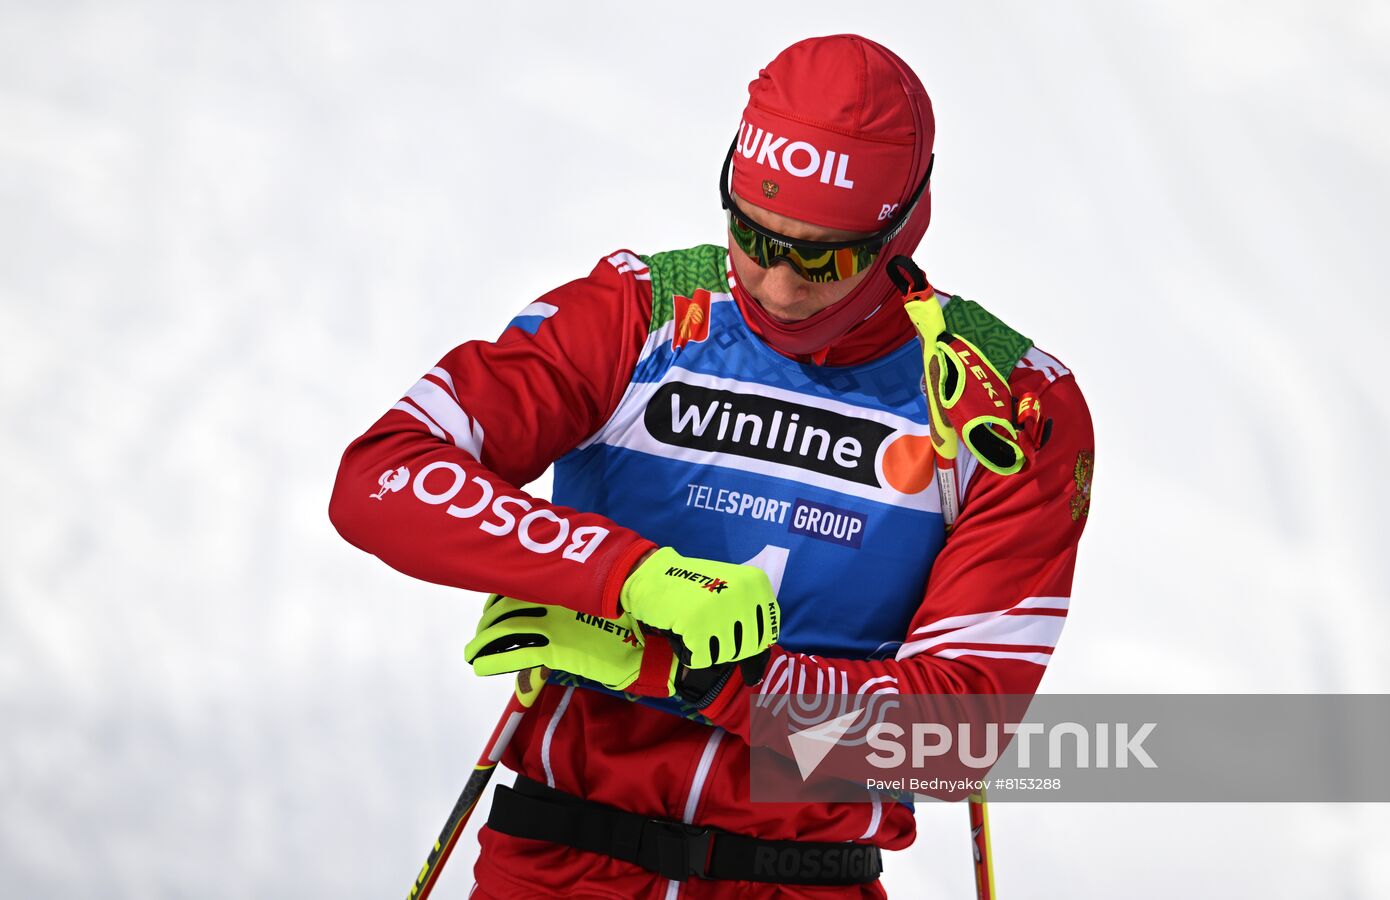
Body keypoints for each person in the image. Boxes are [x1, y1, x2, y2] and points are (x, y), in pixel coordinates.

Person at [330, 33, 1093, 898]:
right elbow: (381, 477)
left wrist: (680, 671)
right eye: (754, 237)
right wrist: (628, 575)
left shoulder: (1008, 405)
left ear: (902, 227)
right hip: (560, 861)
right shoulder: (639, 314)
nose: (775, 286)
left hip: (804, 877)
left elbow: (953, 736)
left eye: (824, 258)